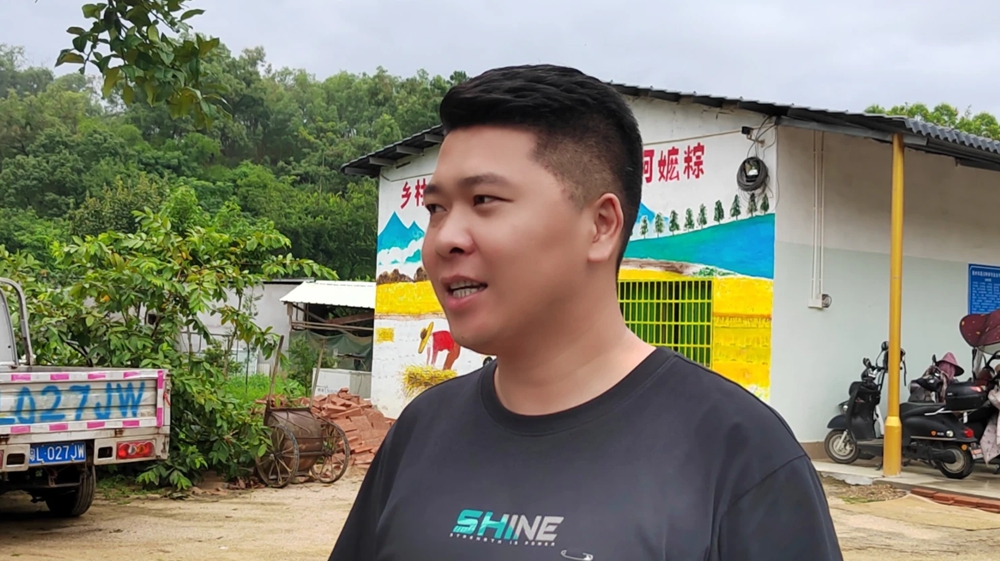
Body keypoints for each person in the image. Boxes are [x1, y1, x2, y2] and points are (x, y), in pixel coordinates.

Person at [328, 64, 843, 561]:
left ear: (600, 226)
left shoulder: (741, 453)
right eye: (436, 209)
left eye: (484, 199)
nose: (444, 239)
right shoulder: (422, 431)